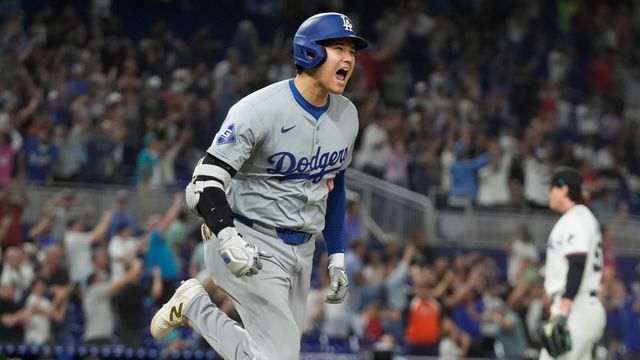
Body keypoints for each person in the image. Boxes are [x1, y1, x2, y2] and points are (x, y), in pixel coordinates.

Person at [150, 12, 368, 359]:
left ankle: (193, 305)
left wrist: (337, 256)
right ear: (310, 52)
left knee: (265, 355)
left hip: (303, 249)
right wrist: (227, 235)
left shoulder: (348, 115)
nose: (348, 59)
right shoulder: (258, 109)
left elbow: (334, 186)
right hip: (250, 238)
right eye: (338, 48)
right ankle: (195, 306)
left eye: (352, 52)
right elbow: (204, 181)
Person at [539, 167, 606, 360]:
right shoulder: (581, 218)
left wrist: (564, 307)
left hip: (577, 308)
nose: (549, 193)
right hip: (583, 306)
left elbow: (577, 262)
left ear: (564, 189)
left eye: (552, 188)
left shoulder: (575, 218)